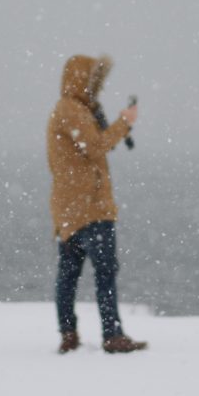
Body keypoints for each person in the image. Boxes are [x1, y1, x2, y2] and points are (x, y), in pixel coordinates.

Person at [46, 54, 148, 354]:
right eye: (93, 82)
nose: (96, 89)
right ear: (82, 81)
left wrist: (114, 128)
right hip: (91, 209)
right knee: (104, 273)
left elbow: (92, 145)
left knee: (68, 274)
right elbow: (95, 147)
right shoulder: (72, 110)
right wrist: (124, 123)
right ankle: (112, 335)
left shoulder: (68, 110)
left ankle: (68, 333)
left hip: (68, 211)